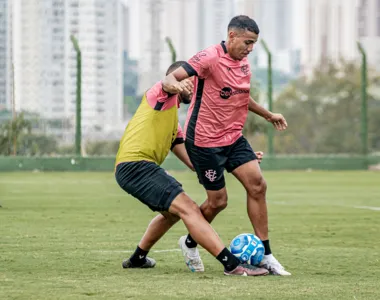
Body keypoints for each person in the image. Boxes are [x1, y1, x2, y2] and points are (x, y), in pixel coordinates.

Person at [162, 16, 291, 275]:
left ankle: (266, 254)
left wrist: (269, 115)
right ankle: (189, 242)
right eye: (247, 42)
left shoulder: (243, 63)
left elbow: (242, 97)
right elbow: (168, 79)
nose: (250, 48)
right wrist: (178, 85)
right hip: (204, 142)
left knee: (258, 184)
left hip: (233, 137)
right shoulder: (209, 57)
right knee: (218, 202)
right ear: (232, 36)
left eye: (254, 44)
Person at [115, 61, 269, 276]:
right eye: (191, 81)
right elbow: (167, 84)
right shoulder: (159, 95)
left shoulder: (174, 125)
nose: (194, 87)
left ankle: (137, 259)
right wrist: (176, 85)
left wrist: (240, 161)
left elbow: (195, 163)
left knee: (172, 214)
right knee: (188, 208)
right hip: (135, 166)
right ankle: (232, 265)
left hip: (136, 169)